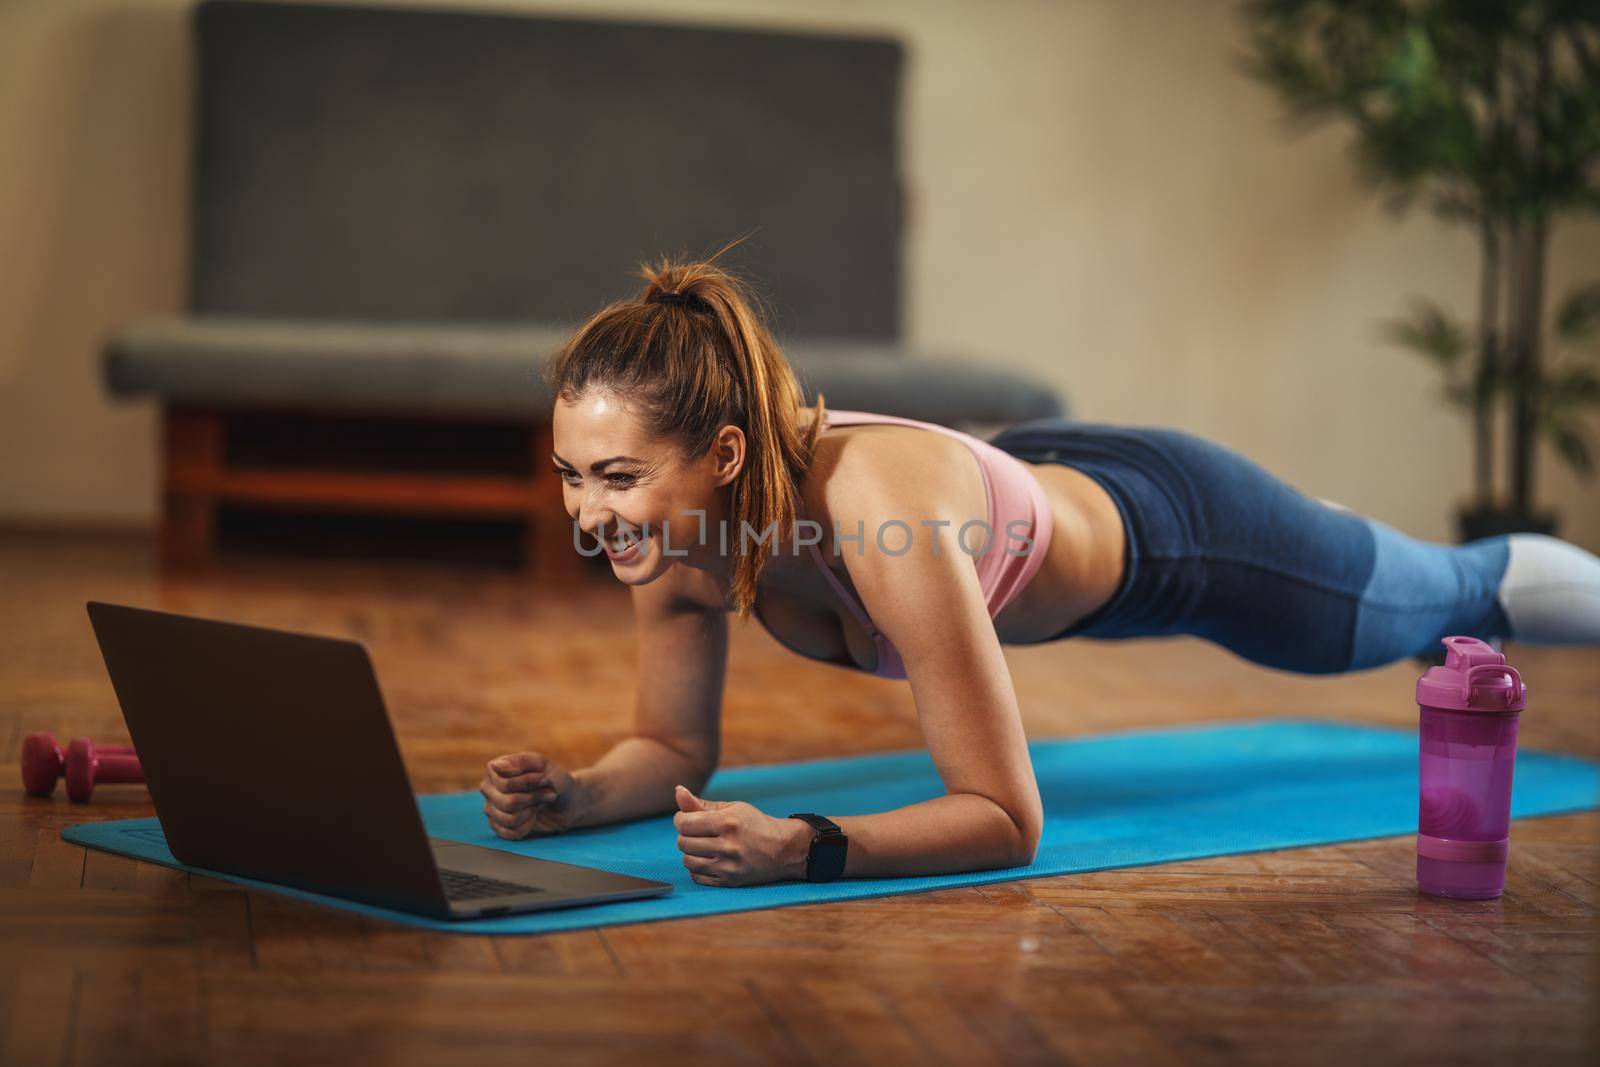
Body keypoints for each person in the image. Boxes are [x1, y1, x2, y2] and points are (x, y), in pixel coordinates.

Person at [479, 254, 1600, 888]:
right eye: (572, 476)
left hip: (1183, 534)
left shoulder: (882, 516)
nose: (589, 513)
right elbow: (675, 748)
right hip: (1036, 482)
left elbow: (1006, 817)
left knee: (1442, 597)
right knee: (1406, 592)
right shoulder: (680, 535)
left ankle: (1341, 551)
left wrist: (809, 844)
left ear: (723, 455)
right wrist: (577, 795)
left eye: (616, 476)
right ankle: (1342, 543)